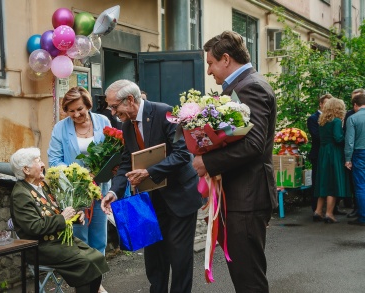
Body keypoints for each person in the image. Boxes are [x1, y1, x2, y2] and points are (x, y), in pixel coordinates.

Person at [192, 31, 277, 293]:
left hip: (247, 196)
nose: (208, 71)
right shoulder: (243, 85)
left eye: (210, 63)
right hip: (241, 196)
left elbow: (254, 144)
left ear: (226, 59)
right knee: (243, 274)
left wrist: (208, 161)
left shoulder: (250, 86)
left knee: (248, 278)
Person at [101, 79, 203, 293]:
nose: (111, 112)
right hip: (152, 199)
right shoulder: (127, 125)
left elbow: (183, 154)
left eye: (114, 106)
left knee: (179, 255)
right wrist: (113, 191)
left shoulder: (164, 113)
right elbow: (127, 162)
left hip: (180, 196)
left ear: (130, 100)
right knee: (154, 257)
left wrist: (149, 172)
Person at [9, 147, 109, 293]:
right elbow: (34, 227)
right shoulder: (20, 194)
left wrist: (75, 216)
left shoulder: (41, 185)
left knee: (96, 258)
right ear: (26, 170)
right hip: (40, 247)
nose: (43, 164)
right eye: (38, 161)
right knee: (84, 264)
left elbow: (55, 212)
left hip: (57, 241)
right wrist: (63, 218)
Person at [48, 86, 111, 293]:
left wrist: (101, 171)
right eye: (70, 111)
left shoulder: (103, 122)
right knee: (79, 237)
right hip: (74, 191)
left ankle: (96, 280)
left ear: (88, 105)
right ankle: (85, 282)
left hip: (100, 187)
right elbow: (55, 160)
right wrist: (79, 176)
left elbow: (112, 151)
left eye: (79, 110)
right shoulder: (60, 128)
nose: (75, 115)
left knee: (99, 237)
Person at [313, 98, 351, 223]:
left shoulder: (322, 121)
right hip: (333, 153)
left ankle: (318, 211)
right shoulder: (335, 121)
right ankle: (329, 214)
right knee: (332, 184)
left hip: (323, 153)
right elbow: (338, 138)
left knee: (324, 183)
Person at [307, 94, 333, 213]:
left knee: (330, 180)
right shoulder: (313, 118)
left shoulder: (332, 118)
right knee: (317, 181)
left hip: (329, 153)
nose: (328, 106)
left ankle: (332, 207)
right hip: (318, 153)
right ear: (321, 104)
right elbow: (316, 136)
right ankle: (315, 208)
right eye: (326, 103)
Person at [344, 88, 365, 218]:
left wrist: (347, 159)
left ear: (355, 105)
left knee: (361, 185)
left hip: (359, 153)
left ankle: (363, 216)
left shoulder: (353, 118)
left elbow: (349, 141)